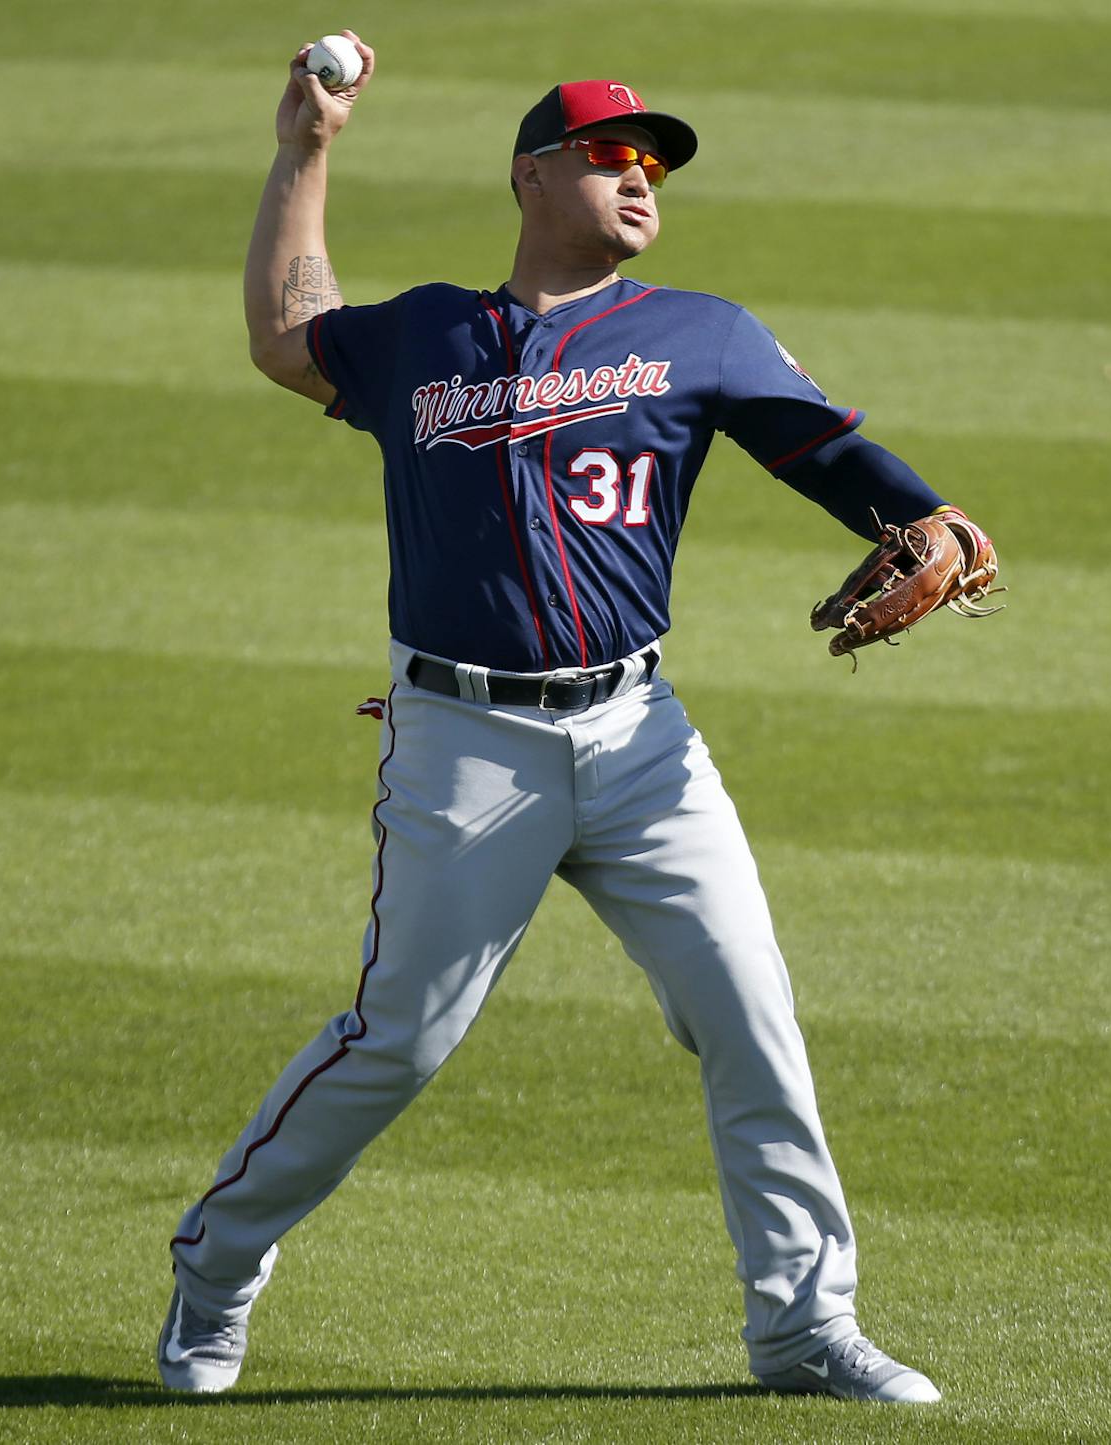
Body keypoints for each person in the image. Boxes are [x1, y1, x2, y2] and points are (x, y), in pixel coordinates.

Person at [156, 32, 984, 1406]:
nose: (643, 177)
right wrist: (304, 151)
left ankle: (802, 1324)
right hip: (466, 744)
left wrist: (921, 508)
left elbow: (829, 451)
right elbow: (282, 337)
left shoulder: (698, 331)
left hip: (644, 741)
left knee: (750, 1011)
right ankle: (216, 1261)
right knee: (400, 1038)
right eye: (612, 156)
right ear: (533, 176)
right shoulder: (422, 335)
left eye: (655, 163)